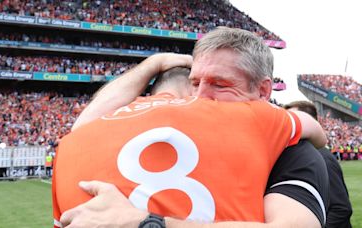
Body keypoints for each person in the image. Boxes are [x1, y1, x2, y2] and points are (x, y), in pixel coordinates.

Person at [59, 27, 329, 228]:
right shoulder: (171, 126)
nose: (200, 97)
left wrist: (148, 223)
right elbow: (81, 130)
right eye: (195, 82)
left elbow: (81, 130)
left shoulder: (289, 147)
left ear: (263, 91)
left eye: (219, 84)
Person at [284, 100, 353, 228]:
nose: (290, 125)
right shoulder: (302, 154)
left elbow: (341, 208)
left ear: (310, 122)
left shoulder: (322, 158)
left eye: (294, 119)